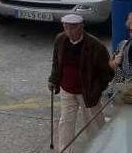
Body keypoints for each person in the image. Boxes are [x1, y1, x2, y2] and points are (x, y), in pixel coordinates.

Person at [48, 14, 113, 153]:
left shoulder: (96, 46)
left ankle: (100, 148)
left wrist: (97, 89)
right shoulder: (60, 39)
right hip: (67, 90)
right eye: (66, 28)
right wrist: (53, 79)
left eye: (73, 28)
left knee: (93, 124)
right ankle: (65, 150)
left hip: (87, 92)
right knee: (65, 122)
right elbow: (56, 63)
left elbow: (107, 72)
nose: (69, 32)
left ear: (81, 26)